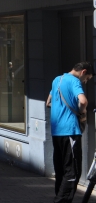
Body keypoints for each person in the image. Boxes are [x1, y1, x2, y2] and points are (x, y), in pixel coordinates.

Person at [46, 61, 93, 203]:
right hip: (70, 131)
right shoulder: (74, 81)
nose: (85, 82)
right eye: (87, 79)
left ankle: (58, 196)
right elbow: (83, 101)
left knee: (61, 170)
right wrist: (81, 111)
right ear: (83, 72)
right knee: (73, 171)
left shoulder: (57, 80)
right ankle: (61, 201)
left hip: (56, 132)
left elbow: (48, 102)